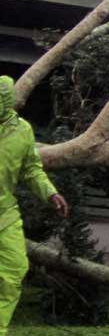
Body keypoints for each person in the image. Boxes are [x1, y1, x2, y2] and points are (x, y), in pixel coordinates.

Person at [0, 76, 69, 334]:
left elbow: (31, 169)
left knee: (14, 268)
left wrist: (50, 194)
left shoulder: (22, 131)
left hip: (5, 215)